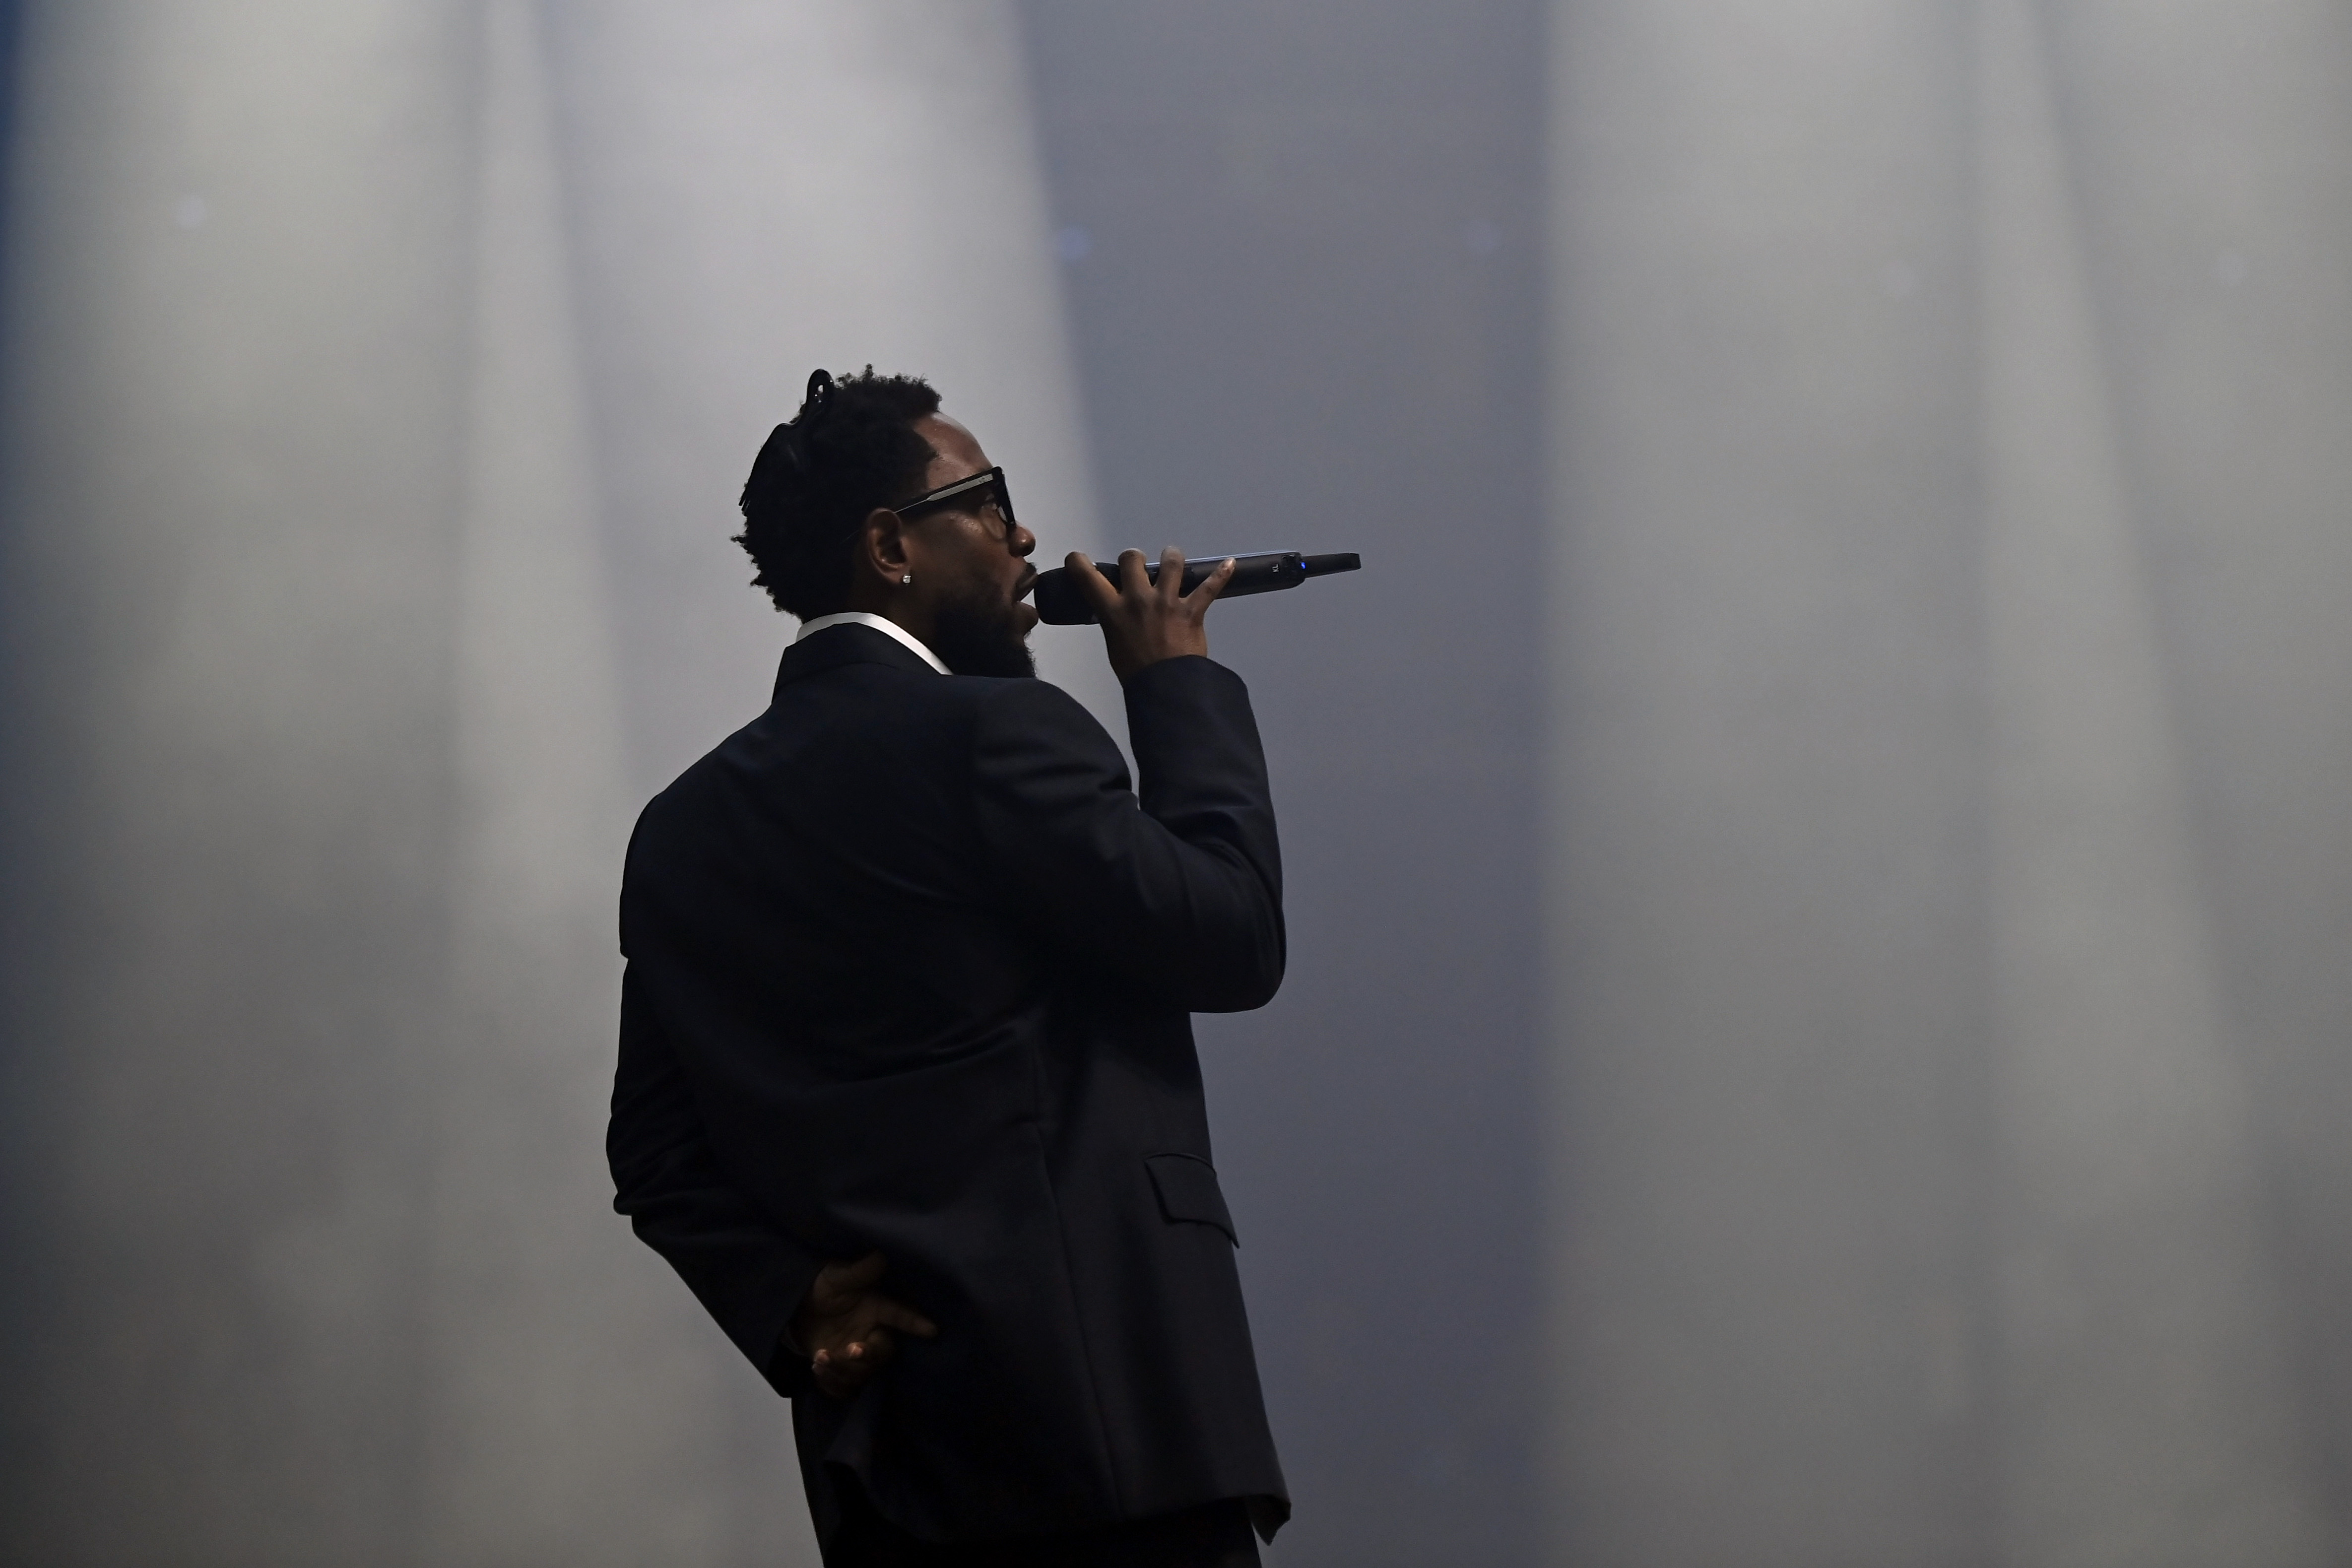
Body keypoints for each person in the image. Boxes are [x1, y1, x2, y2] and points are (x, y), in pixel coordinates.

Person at [607, 368, 1289, 1567]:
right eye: (988, 501)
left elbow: (655, 1152)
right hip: (1114, 1439)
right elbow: (1229, 938)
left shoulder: (685, 824)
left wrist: (795, 1301)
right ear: (890, 544)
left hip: (893, 1465)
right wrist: (1176, 682)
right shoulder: (996, 733)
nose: (1025, 536)